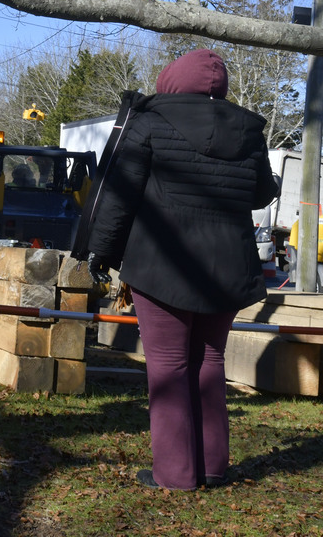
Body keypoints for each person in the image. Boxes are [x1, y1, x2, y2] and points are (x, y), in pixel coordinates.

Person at [86, 48, 277, 491]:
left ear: (171, 81)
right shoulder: (249, 131)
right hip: (228, 266)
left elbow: (120, 195)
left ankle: (174, 474)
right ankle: (212, 466)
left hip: (162, 264)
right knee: (210, 361)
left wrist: (102, 252)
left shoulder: (149, 121)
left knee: (168, 365)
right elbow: (261, 192)